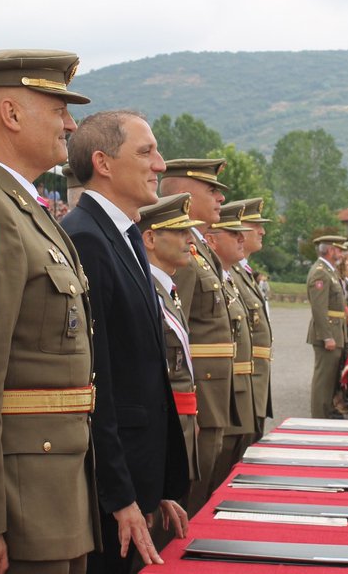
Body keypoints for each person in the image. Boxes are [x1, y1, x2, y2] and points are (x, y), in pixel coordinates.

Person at [0, 50, 99, 574]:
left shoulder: (23, 207)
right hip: (20, 499)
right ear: (11, 114)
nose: (70, 124)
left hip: (53, 485)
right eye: (58, 109)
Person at [62, 111, 189, 573]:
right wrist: (120, 497)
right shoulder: (86, 238)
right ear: (104, 162)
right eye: (145, 151)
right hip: (110, 497)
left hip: (137, 482)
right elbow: (98, 381)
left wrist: (155, 488)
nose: (160, 164)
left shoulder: (124, 235)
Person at [158, 158, 232, 515]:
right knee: (189, 498)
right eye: (211, 190)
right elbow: (175, 332)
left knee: (203, 494)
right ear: (185, 196)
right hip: (198, 390)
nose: (220, 198)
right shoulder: (186, 253)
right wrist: (189, 408)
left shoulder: (201, 251)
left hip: (211, 387)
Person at [137, 193, 204, 531]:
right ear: (149, 238)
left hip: (181, 421)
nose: (189, 240)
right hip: (162, 428)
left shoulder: (167, 291)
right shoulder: (145, 290)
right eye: (179, 232)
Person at [200, 202, 256, 486]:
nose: (242, 239)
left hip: (237, 385)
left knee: (224, 474)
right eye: (234, 234)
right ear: (211, 239)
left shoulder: (227, 277)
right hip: (213, 390)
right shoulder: (197, 270)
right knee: (206, 483)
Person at [225, 197, 274, 439]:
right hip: (243, 382)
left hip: (255, 379)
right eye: (256, 226)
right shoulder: (230, 272)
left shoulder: (241, 271)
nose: (262, 231)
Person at [306, 234, 348, 419]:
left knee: (331, 377)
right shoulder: (320, 272)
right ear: (330, 250)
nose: (341, 253)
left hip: (335, 330)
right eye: (339, 249)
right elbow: (319, 308)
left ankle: (327, 410)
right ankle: (319, 416)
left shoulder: (329, 271)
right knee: (323, 378)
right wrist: (327, 336)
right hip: (328, 332)